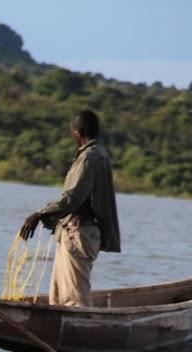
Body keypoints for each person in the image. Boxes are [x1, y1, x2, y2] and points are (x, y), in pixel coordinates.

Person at [19, 110, 120, 306]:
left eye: (72, 131)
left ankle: (84, 326)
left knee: (74, 300)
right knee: (58, 297)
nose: (71, 134)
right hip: (75, 232)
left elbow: (72, 198)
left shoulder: (90, 157)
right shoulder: (98, 154)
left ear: (78, 132)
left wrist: (39, 214)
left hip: (78, 234)